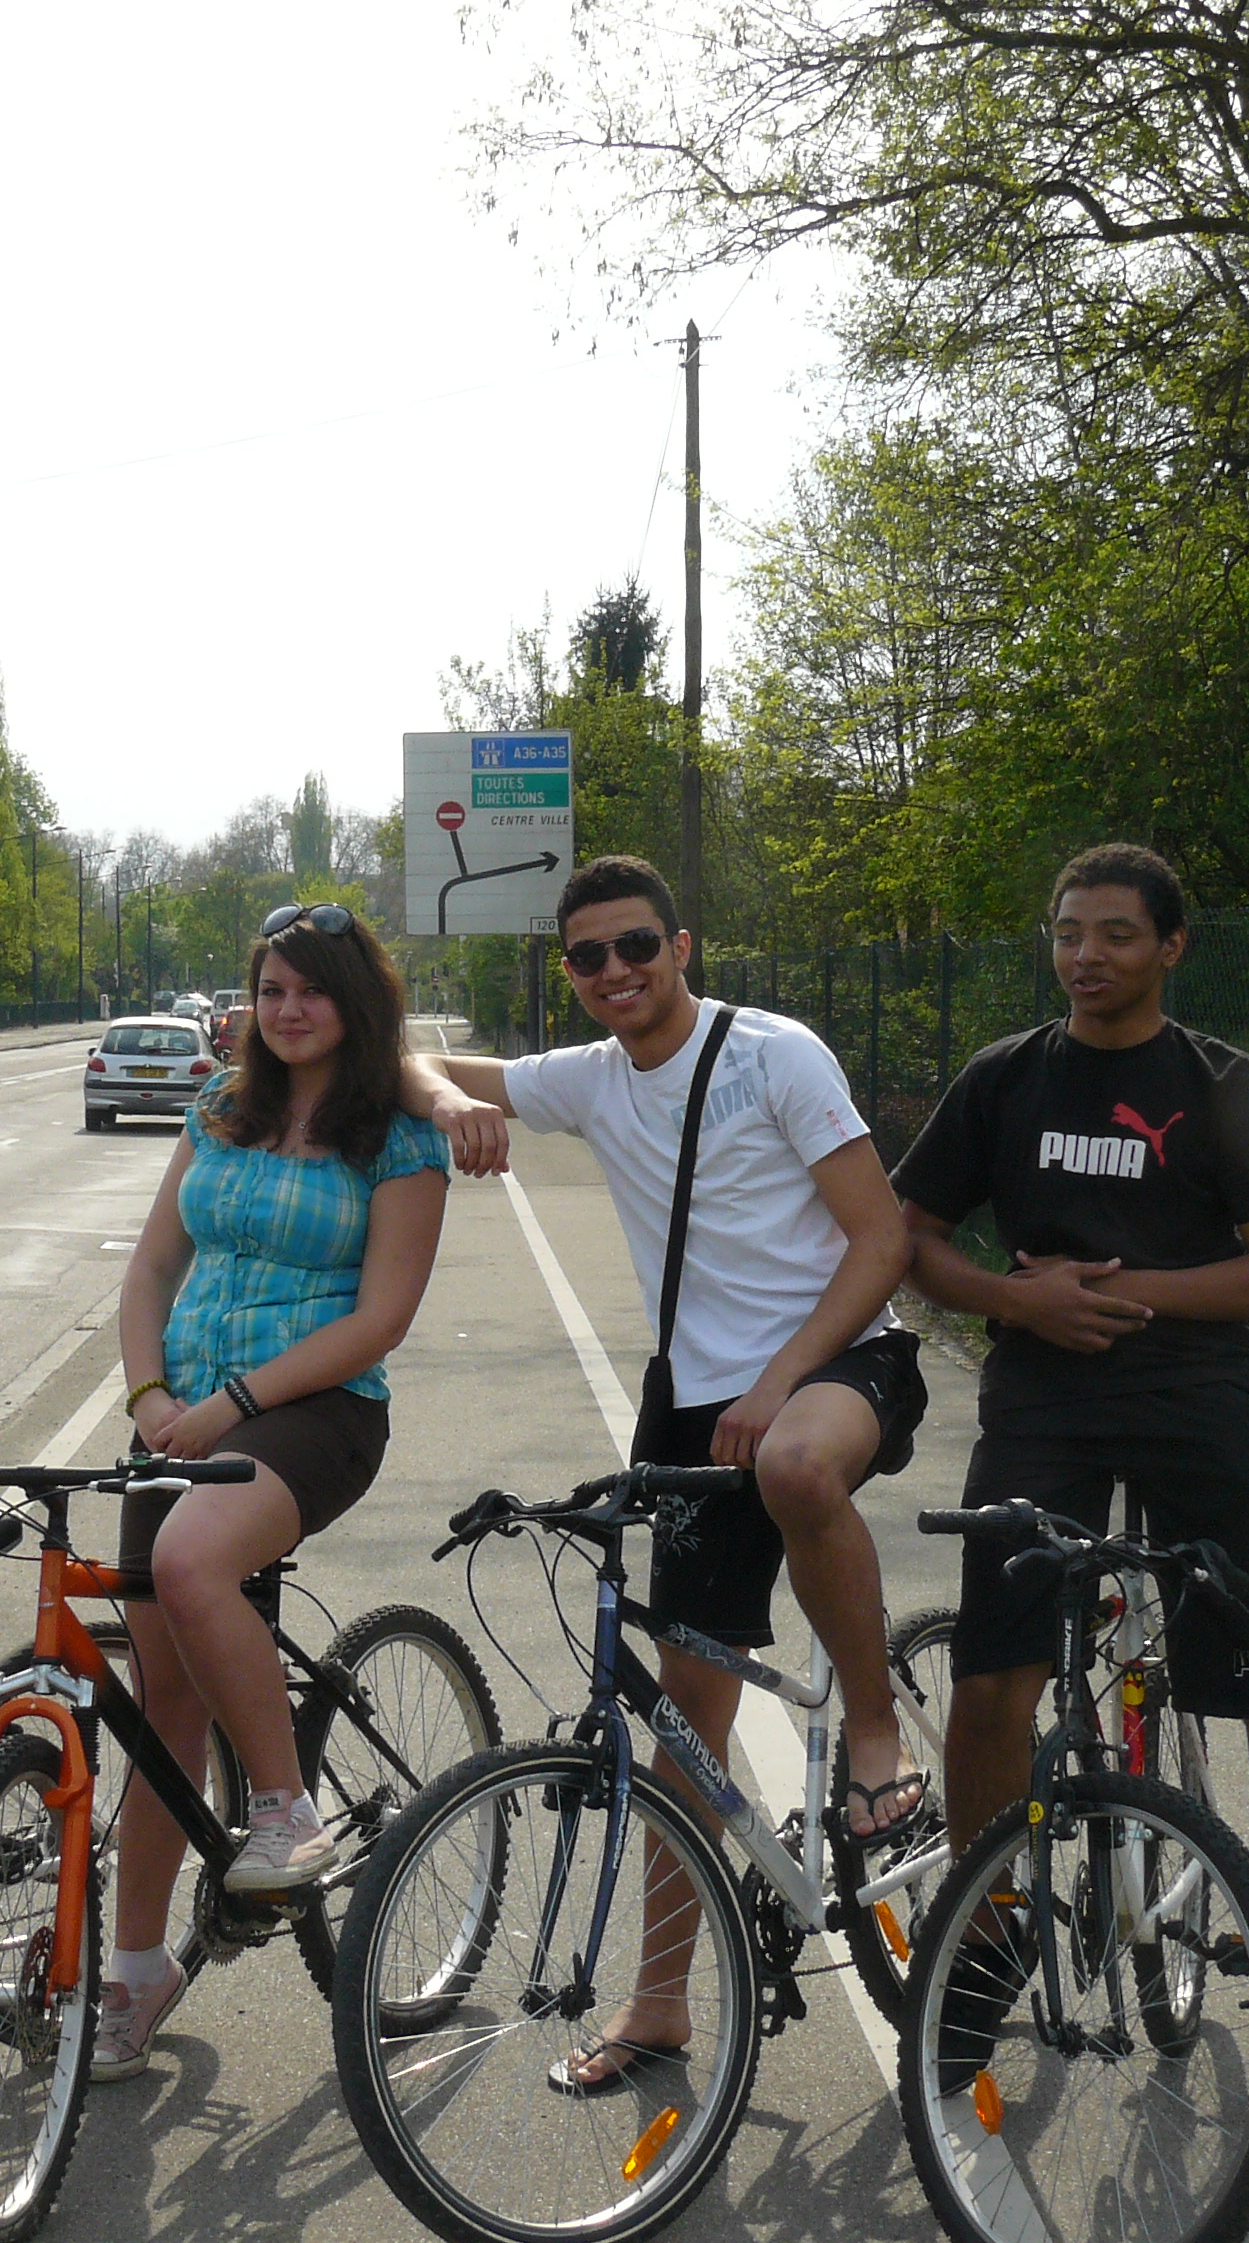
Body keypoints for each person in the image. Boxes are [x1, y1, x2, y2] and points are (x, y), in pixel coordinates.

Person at [403, 854, 923, 2090]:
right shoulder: (588, 1078)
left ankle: (874, 1731)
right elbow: (411, 1064)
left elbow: (882, 1238)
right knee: (687, 1730)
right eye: (587, 957)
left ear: (682, 946)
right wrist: (443, 1102)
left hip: (842, 1364)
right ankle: (661, 2006)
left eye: (636, 946)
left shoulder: (775, 1055)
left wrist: (781, 1376)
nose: (614, 972)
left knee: (798, 1464)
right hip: (694, 1414)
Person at [888, 842, 1249, 2136]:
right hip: (1044, 1406)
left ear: (1171, 947)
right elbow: (908, 1235)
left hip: (1201, 1400)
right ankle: (985, 1952)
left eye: (1113, 932)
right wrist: (1013, 1298)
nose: (1084, 954)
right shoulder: (1003, 1081)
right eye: (1065, 931)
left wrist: (1136, 1293)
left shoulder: (1223, 1087)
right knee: (993, 1677)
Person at [102, 901, 454, 2080]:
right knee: (161, 1708)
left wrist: (236, 1404)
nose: (289, 1010)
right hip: (184, 1410)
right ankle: (137, 1969)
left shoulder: (395, 1134)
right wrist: (150, 1391)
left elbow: (382, 1316)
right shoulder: (217, 1108)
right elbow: (153, 1264)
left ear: (355, 1002)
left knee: (193, 1561)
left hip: (320, 1412)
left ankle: (285, 1810)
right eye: (271, 990)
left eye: (311, 990)